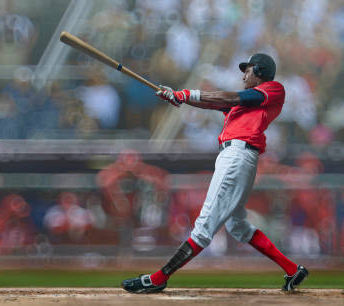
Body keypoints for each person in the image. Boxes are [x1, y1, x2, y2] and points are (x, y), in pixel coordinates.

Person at [121, 53, 308, 293]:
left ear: (259, 71)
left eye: (248, 69)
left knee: (204, 226)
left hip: (237, 156)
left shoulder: (273, 89)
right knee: (237, 226)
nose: (244, 74)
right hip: (236, 157)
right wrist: (177, 96)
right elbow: (214, 102)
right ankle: (293, 269)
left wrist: (186, 94)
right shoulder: (243, 105)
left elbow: (228, 97)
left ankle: (158, 278)